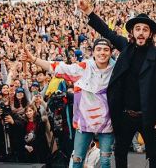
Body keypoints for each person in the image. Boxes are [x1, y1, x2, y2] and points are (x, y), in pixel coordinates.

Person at [78, 0, 156, 168]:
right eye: (138, 29)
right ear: (132, 32)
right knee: (120, 153)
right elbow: (107, 32)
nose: (141, 32)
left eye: (145, 29)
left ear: (150, 33)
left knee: (153, 155)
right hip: (126, 115)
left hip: (149, 116)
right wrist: (88, 12)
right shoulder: (126, 48)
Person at [21, 38, 116, 168]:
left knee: (105, 161)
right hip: (84, 123)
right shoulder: (83, 68)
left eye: (106, 50)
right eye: (98, 49)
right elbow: (55, 67)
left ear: (110, 52)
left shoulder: (116, 70)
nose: (102, 53)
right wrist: (33, 59)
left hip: (107, 124)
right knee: (77, 160)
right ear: (93, 52)